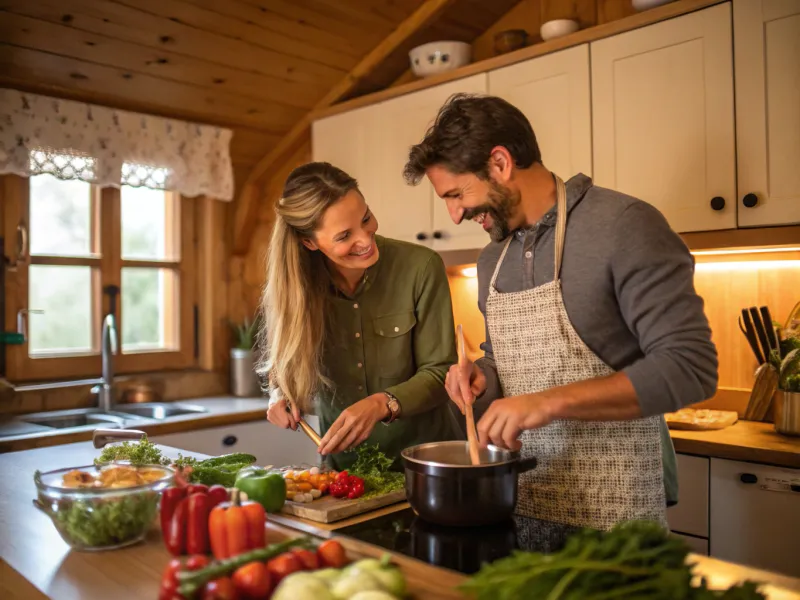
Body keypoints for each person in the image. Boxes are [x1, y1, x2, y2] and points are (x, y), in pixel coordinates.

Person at [402, 93, 718, 530]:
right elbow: (507, 362)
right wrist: (481, 376)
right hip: (518, 513)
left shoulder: (624, 225)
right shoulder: (492, 258)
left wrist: (548, 403)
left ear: (499, 163)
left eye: (457, 194)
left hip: (616, 523)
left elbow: (690, 367)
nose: (455, 215)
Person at [259, 161, 462, 471]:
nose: (366, 240)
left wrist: (383, 403)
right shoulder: (296, 290)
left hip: (426, 466)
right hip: (343, 472)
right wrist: (279, 394)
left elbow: (441, 372)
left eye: (366, 218)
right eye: (344, 236)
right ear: (309, 242)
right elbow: (284, 364)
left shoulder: (421, 267)